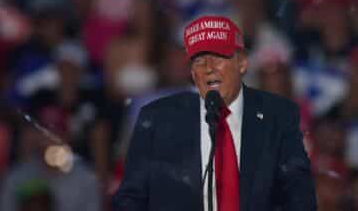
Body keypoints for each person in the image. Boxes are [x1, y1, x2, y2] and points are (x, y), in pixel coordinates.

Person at [112, 15, 317, 211]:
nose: (209, 69)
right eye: (200, 61)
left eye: (219, 58)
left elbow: (300, 197)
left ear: (242, 63)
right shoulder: (156, 118)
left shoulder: (279, 117)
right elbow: (130, 198)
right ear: (192, 72)